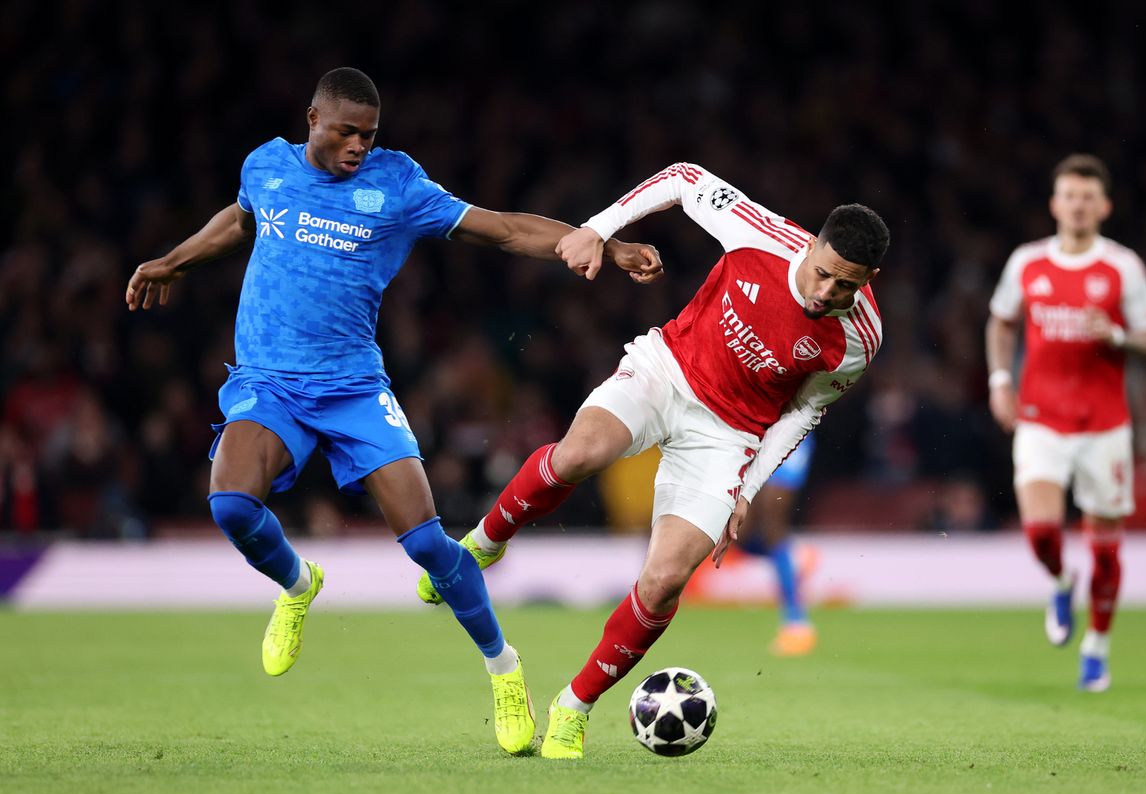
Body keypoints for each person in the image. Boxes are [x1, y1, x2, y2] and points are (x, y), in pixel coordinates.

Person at [124, 67, 661, 755]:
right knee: (230, 505)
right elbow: (244, 216)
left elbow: (500, 229)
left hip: (351, 386)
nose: (356, 146)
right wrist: (177, 260)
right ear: (312, 118)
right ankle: (297, 582)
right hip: (269, 381)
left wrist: (604, 243)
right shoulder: (266, 165)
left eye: (367, 135)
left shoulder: (398, 185)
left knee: (429, 545)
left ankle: (504, 668)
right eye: (345, 131)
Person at [417, 162, 889, 758]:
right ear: (812, 244)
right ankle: (483, 543)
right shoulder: (760, 234)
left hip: (729, 438)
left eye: (844, 287)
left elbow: (802, 413)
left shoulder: (859, 340)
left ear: (869, 279)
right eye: (822, 274)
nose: (826, 294)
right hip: (668, 371)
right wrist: (596, 228)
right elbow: (683, 178)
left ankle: (574, 707)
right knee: (578, 454)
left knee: (665, 581)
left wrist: (749, 486)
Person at [985, 154, 1146, 693]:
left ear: (1104, 206)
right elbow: (1001, 321)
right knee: (1041, 532)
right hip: (1042, 418)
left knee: (1107, 547)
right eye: (1070, 195)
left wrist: (1115, 335)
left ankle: (1097, 649)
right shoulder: (1027, 263)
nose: (1079, 205)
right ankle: (1062, 583)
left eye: (1089, 196)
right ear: (1054, 203)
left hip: (1105, 424)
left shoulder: (1123, 267)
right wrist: (999, 381)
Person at [736, 433, 818, 656]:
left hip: (790, 433)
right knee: (740, 533)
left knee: (773, 519)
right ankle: (793, 558)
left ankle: (796, 624)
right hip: (752, 433)